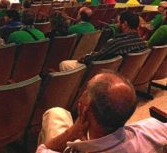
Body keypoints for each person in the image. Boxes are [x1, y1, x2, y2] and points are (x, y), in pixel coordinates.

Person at [36, 72, 167, 153]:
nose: (82, 94)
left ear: (86, 110)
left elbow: (43, 150)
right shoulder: (154, 127)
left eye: (86, 91)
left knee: (55, 112)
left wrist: (73, 132)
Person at [60, 11, 147, 71]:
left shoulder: (117, 43)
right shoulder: (142, 42)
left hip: (102, 72)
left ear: (124, 25)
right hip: (122, 72)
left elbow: (97, 58)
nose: (117, 25)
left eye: (119, 22)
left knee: (64, 64)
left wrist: (83, 58)